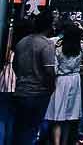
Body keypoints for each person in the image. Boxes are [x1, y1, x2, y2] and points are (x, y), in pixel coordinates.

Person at [12, 11, 56, 145]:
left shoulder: (22, 42)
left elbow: (15, 66)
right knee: (34, 128)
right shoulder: (47, 44)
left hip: (21, 90)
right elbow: (49, 70)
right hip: (39, 92)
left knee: (20, 128)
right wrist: (51, 86)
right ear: (49, 27)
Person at [46, 21, 83, 145]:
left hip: (61, 80)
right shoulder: (80, 48)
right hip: (75, 80)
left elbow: (55, 69)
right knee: (69, 116)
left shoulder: (58, 49)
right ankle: (64, 142)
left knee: (58, 116)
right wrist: (81, 29)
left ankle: (56, 143)